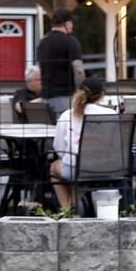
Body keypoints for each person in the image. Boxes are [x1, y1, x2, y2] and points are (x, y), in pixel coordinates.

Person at [50, 77, 112, 208]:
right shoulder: (111, 113)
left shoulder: (67, 115)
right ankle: (71, 206)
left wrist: (68, 157)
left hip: (77, 167)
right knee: (82, 171)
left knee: (55, 168)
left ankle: (67, 208)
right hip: (107, 167)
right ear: (101, 96)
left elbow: (58, 147)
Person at [36, 8, 84, 116]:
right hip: (65, 97)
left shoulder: (43, 42)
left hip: (45, 97)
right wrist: (81, 91)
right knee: (67, 128)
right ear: (66, 24)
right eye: (71, 22)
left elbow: (40, 68)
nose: (72, 25)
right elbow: (78, 70)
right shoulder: (70, 41)